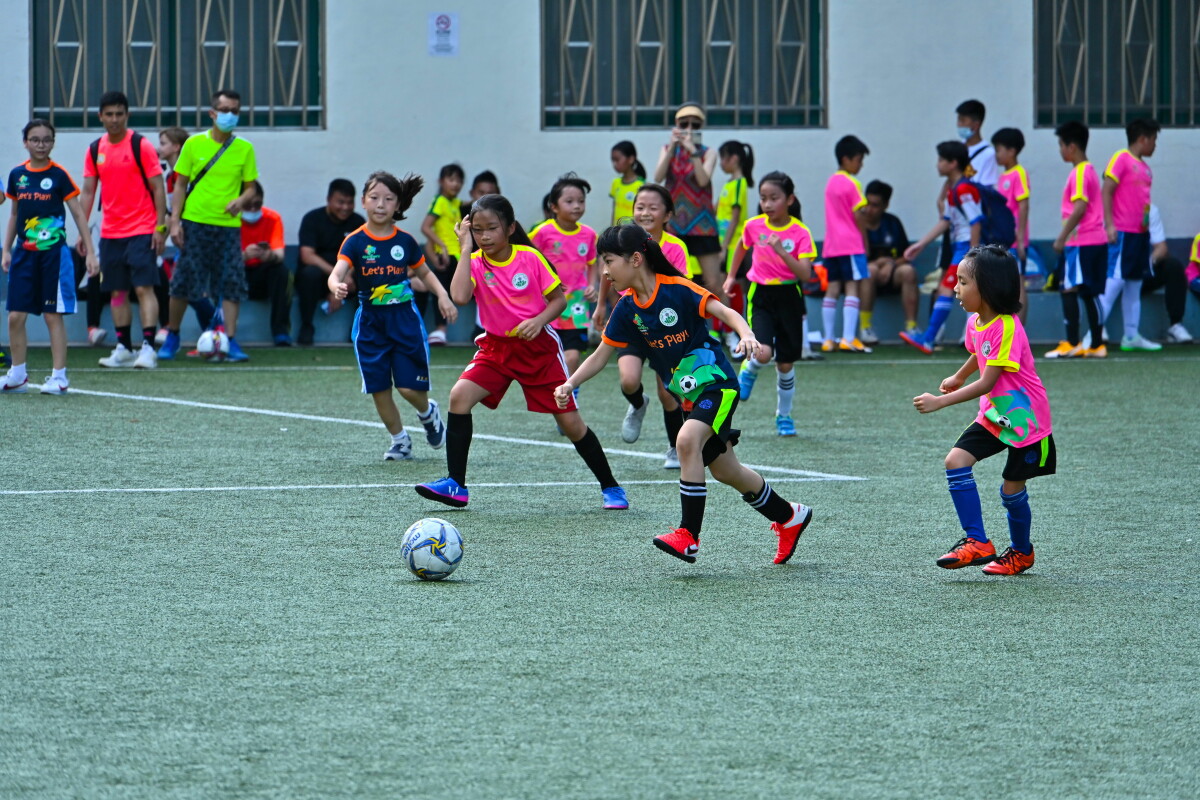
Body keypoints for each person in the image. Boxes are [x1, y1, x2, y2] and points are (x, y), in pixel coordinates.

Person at [558, 223, 814, 565]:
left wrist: (747, 334)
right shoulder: (627, 308)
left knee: (686, 440)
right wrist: (570, 383)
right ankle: (789, 516)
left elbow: (725, 311)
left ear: (635, 259)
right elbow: (600, 355)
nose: (604, 271)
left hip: (717, 384)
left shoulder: (677, 289)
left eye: (608, 261)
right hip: (689, 398)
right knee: (726, 471)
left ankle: (688, 536)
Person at [414, 193, 627, 511]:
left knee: (571, 424)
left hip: (538, 350)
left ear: (510, 228)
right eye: (478, 230)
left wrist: (538, 321)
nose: (484, 236)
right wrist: (464, 248)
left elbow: (558, 301)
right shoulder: (474, 261)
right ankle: (456, 484)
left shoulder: (529, 257)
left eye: (492, 228)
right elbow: (459, 296)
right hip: (496, 349)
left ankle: (611, 486)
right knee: (459, 397)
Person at [912, 245, 1055, 576]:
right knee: (955, 461)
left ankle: (1021, 553)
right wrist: (960, 375)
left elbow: (988, 382)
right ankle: (977, 541)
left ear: (988, 287)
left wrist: (940, 402)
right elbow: (980, 352)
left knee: (1011, 491)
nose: (955, 288)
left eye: (963, 282)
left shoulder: (1007, 326)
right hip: (994, 416)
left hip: (1026, 423)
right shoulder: (976, 322)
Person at [328, 171, 454, 461]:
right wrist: (336, 286)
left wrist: (443, 296)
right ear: (363, 201)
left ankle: (428, 413)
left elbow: (425, 273)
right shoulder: (354, 241)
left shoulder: (405, 242)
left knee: (408, 388)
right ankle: (399, 440)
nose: (381, 204)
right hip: (370, 324)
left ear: (397, 204)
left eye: (388, 199)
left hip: (404, 320)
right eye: (374, 197)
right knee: (380, 389)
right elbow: (336, 273)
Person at [593, 182, 690, 470]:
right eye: (640, 207)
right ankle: (637, 403)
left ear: (667, 215)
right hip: (631, 321)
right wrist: (601, 305)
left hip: (663, 327)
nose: (645, 212)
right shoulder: (623, 243)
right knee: (628, 380)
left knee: (668, 391)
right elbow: (607, 271)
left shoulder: (676, 247)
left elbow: (682, 287)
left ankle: (674, 448)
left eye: (653, 207)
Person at [2, 119, 99, 394]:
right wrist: (7, 249)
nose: (41, 145)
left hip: (54, 257)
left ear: (53, 143)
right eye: (35, 139)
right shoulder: (17, 175)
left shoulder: (59, 175)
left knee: (52, 315)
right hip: (24, 256)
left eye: (46, 140)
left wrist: (91, 252)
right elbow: (14, 215)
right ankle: (17, 375)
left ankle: (59, 376)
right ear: (25, 142)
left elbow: (78, 213)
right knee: (15, 316)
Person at [161, 89, 258, 362]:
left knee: (231, 282)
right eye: (225, 110)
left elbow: (251, 188)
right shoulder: (193, 144)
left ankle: (230, 340)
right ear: (212, 113)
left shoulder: (245, 149)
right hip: (195, 222)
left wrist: (241, 200)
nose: (230, 116)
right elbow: (180, 185)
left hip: (228, 226)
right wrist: (175, 222)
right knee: (183, 281)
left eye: (235, 111)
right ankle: (172, 335)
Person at [77, 91, 167, 370]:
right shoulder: (95, 149)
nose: (114, 119)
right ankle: (124, 348)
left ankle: (148, 348)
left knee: (143, 288)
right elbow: (88, 192)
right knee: (117, 291)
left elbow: (158, 188)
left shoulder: (141, 145)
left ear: (127, 115)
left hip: (142, 229)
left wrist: (160, 227)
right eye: (109, 114)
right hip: (110, 233)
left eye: (119, 114)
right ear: (100, 117)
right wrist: (83, 232)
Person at [724, 171, 814, 437]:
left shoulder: (800, 232)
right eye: (763, 198)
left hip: (789, 297)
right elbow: (741, 247)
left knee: (785, 364)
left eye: (774, 198)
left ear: (789, 200)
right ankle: (749, 369)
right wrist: (731, 276)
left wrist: (781, 251)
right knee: (763, 352)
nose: (767, 204)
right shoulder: (753, 225)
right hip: (761, 294)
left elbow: (805, 274)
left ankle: (784, 416)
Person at [900, 142, 981, 355]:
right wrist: (920, 244)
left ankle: (929, 338)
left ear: (952, 163)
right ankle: (931, 338)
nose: (937, 164)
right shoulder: (953, 189)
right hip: (961, 247)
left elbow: (976, 221)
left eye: (941, 160)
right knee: (951, 290)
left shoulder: (963, 189)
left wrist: (973, 253)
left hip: (965, 247)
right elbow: (945, 221)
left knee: (947, 290)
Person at [1099, 117, 1162, 351]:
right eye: (1153, 140)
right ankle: (1092, 335)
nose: (1155, 145)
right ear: (1143, 139)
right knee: (1114, 282)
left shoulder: (1146, 169)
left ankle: (1131, 336)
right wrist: (1109, 225)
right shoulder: (1121, 159)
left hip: (1140, 235)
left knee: (1134, 285)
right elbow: (1106, 191)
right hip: (1122, 233)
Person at [1047, 120, 1107, 359]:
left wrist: (1061, 237)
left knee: (1075, 289)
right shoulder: (1087, 170)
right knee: (1081, 290)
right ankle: (1090, 344)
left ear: (1071, 146)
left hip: (1083, 241)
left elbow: (1080, 207)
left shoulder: (1081, 172)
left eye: (1061, 145)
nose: (1060, 150)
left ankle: (1080, 342)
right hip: (1088, 241)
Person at [655, 103, 725, 302]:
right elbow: (658, 177)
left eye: (695, 125)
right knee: (671, 280)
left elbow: (703, 180)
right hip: (674, 224)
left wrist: (693, 152)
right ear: (676, 125)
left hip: (702, 225)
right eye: (684, 124)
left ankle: (729, 322)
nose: (689, 128)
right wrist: (672, 149)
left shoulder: (708, 152)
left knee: (713, 283)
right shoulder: (667, 150)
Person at [530, 172, 597, 374]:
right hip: (547, 303)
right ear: (554, 207)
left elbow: (592, 263)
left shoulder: (589, 234)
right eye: (569, 201)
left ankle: (570, 389)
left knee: (572, 355)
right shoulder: (541, 232)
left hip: (576, 304)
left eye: (581, 201)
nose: (577, 206)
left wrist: (591, 285)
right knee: (548, 354)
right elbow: (527, 259)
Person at [157, 125, 216, 344]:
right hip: (182, 237)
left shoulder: (189, 175)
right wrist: (162, 235)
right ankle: (212, 335)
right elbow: (170, 212)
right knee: (190, 289)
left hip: (198, 234)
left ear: (176, 147)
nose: (159, 148)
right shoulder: (169, 177)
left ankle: (216, 331)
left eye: (163, 143)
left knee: (188, 287)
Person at [295, 179, 364, 345]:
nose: (345, 207)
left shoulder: (358, 223)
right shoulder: (312, 219)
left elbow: (361, 256)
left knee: (368, 275)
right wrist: (337, 279)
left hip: (348, 280)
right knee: (309, 274)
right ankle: (306, 327)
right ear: (329, 200)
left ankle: (360, 329)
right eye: (340, 202)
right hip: (319, 279)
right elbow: (307, 256)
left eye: (350, 202)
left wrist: (344, 279)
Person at [821, 135, 872, 352]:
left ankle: (827, 339)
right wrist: (865, 242)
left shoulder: (830, 182)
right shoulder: (853, 183)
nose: (861, 165)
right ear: (846, 159)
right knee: (853, 287)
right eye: (859, 160)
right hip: (851, 244)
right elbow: (859, 215)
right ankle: (848, 338)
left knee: (832, 289)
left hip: (831, 246)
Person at [861, 180, 918, 341]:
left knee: (908, 271)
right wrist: (877, 264)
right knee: (870, 270)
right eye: (867, 203)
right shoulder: (856, 223)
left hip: (892, 274)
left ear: (885, 205)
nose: (869, 209)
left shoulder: (892, 223)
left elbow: (906, 254)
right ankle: (865, 328)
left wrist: (891, 264)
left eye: (875, 205)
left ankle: (911, 328)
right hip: (864, 276)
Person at [239, 181, 292, 345]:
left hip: (262, 274)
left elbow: (279, 255)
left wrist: (268, 256)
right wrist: (243, 256)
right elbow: (220, 258)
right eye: (247, 205)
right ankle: (220, 328)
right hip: (238, 273)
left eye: (257, 204)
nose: (252, 209)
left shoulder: (272, 218)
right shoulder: (228, 220)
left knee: (282, 272)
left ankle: (280, 331)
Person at [417, 163, 464, 346]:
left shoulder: (455, 203)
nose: (455, 184)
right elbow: (425, 227)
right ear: (441, 181)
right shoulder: (440, 201)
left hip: (459, 256)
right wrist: (441, 245)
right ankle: (440, 330)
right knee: (441, 291)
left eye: (459, 181)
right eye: (451, 179)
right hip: (446, 256)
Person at [715, 141, 753, 354]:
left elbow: (736, 218)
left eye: (723, 158)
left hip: (733, 245)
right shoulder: (728, 184)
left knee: (731, 288)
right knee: (722, 288)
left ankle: (735, 333)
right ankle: (723, 331)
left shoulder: (740, 183)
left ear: (734, 159)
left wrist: (724, 246)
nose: (721, 163)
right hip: (723, 244)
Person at [992, 127, 1030, 321]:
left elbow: (1023, 205)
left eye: (999, 150)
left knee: (1018, 283)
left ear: (1012, 151)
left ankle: (1019, 330)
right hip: (1003, 239)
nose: (996, 154)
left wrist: (1020, 239)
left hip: (1015, 241)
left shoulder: (1019, 173)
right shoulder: (1002, 177)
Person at [1142, 205, 1193, 343]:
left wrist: (1148, 264)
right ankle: (1098, 327)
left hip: (1140, 271)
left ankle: (1175, 325)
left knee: (1173, 266)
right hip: (1113, 272)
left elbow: (1161, 248)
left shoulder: (1148, 209)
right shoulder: (1105, 208)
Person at [956, 99, 999, 187]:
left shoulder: (988, 154)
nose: (958, 124)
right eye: (958, 120)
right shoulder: (958, 148)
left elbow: (987, 187)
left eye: (962, 121)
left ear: (976, 125)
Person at [609, 141, 645, 225]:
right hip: (617, 230)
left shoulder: (641, 185)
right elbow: (614, 210)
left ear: (631, 159)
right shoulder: (615, 183)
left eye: (617, 160)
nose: (614, 164)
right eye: (613, 160)